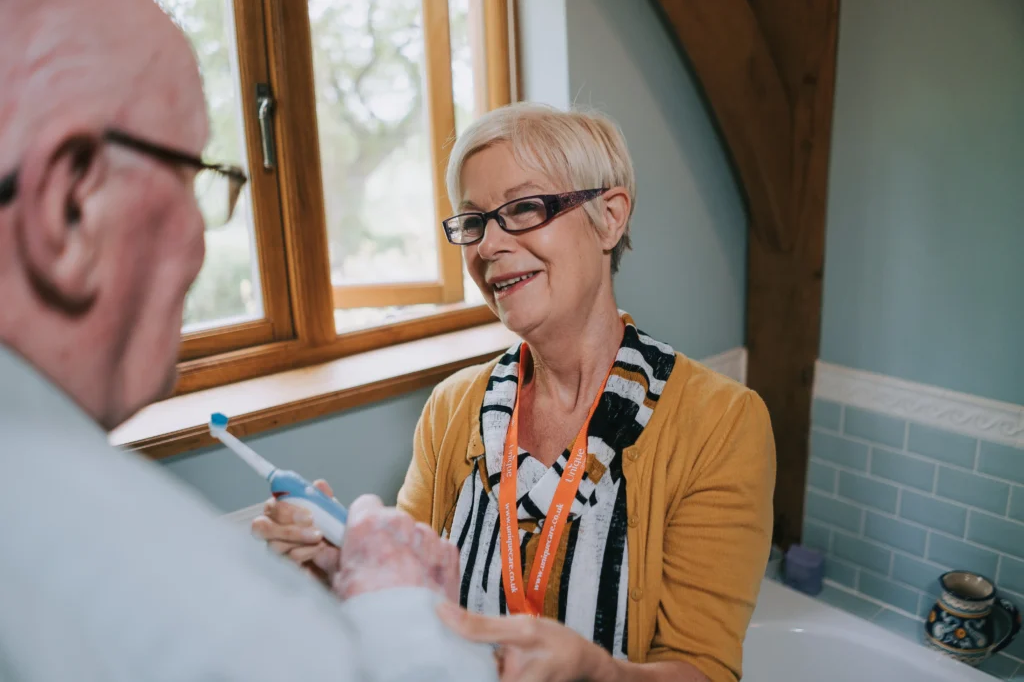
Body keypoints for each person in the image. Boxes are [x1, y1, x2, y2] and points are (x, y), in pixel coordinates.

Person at [0, 0, 497, 680]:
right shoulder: (161, 591)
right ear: (70, 205)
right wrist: (402, 611)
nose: (206, 240)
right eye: (195, 174)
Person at [257, 102, 777, 681]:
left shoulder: (722, 424)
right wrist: (347, 570)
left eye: (524, 208)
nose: (486, 247)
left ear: (609, 218)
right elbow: (414, 605)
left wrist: (600, 674)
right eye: (473, 222)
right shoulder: (453, 408)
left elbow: (703, 669)